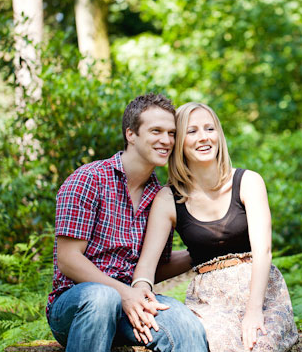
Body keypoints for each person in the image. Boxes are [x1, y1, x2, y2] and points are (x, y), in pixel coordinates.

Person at [46, 93, 209, 352]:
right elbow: (68, 259)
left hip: (131, 306)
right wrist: (124, 294)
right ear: (130, 134)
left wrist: (207, 252)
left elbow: (154, 266)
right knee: (103, 298)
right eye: (156, 131)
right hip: (77, 305)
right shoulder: (89, 179)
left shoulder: (161, 196)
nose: (166, 141)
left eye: (171, 133)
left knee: (184, 323)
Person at [133, 102, 298, 352]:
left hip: (261, 294)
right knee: (222, 345)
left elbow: (263, 251)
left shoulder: (248, 182)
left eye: (210, 129)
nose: (204, 137)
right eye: (192, 131)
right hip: (210, 299)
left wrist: (253, 312)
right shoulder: (168, 199)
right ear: (179, 142)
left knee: (260, 345)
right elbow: (146, 267)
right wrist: (140, 295)